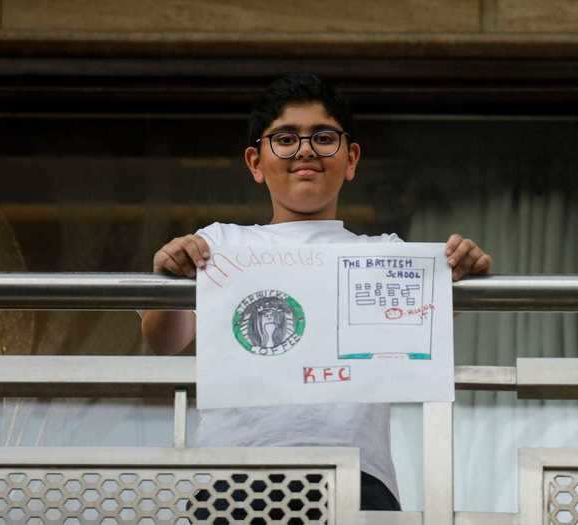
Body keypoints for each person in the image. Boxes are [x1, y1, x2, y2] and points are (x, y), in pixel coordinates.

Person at [141, 73, 492, 511]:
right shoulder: (217, 244)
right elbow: (164, 340)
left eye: (323, 137)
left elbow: (429, 319)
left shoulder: (388, 254)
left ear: (351, 159)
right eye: (285, 138)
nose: (305, 150)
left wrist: (463, 270)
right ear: (255, 161)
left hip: (358, 476)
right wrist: (170, 278)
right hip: (235, 472)